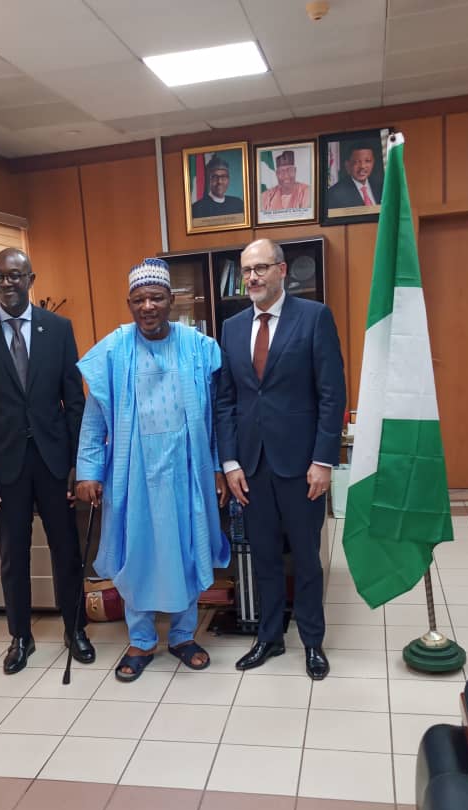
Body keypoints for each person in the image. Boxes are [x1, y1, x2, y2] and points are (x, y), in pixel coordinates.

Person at [75, 257, 230, 682]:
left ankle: (182, 636)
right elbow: (94, 418)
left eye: (156, 298)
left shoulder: (199, 347)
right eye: (139, 299)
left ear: (171, 300)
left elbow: (220, 416)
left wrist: (219, 466)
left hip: (187, 471)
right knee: (136, 554)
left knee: (186, 551)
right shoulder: (113, 350)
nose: (148, 307)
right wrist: (88, 471)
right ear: (129, 303)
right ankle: (141, 640)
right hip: (133, 475)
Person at [0, 247, 95, 674]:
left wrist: (78, 462)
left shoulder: (58, 328)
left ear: (30, 280)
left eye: (15, 275)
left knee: (66, 551)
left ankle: (75, 629)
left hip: (54, 463)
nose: (7, 283)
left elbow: (74, 400)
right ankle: (20, 636)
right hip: (4, 467)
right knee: (12, 555)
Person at [216, 239, 346, 680]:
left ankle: (312, 641)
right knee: (264, 556)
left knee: (306, 558)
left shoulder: (314, 318)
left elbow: (331, 395)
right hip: (251, 466)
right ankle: (269, 637)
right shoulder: (231, 328)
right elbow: (226, 400)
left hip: (301, 465)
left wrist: (324, 460)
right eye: (246, 270)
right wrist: (230, 462)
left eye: (261, 268)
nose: (252, 277)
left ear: (282, 270)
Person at [326, 141, 383, 210]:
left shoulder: (382, 187)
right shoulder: (334, 194)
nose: (362, 166)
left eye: (367, 161)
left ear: (373, 162)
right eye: (356, 162)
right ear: (347, 165)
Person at [192, 154, 245, 220]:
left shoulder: (238, 204)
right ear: (208, 180)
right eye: (215, 177)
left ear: (228, 180)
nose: (219, 181)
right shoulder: (197, 208)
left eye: (223, 177)